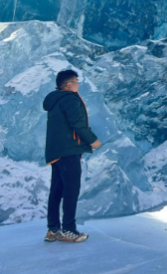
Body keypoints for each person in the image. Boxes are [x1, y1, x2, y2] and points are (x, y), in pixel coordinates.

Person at [43, 69, 101, 243]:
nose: (78, 84)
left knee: (57, 191)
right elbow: (77, 123)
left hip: (57, 152)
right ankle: (69, 230)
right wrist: (92, 140)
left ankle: (53, 230)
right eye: (76, 81)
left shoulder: (55, 100)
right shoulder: (69, 99)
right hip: (69, 151)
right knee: (70, 191)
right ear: (69, 84)